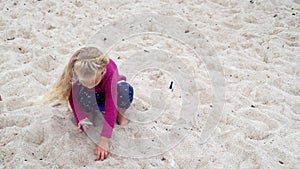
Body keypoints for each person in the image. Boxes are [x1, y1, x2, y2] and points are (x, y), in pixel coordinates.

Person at [43, 46, 134, 161]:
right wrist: (80, 118)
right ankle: (89, 114)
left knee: (125, 90)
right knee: (84, 93)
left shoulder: (109, 72)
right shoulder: (78, 73)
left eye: (94, 81)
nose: (89, 84)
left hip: (113, 95)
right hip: (92, 97)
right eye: (84, 82)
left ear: (101, 71)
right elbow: (74, 99)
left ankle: (121, 114)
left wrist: (104, 140)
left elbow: (111, 106)